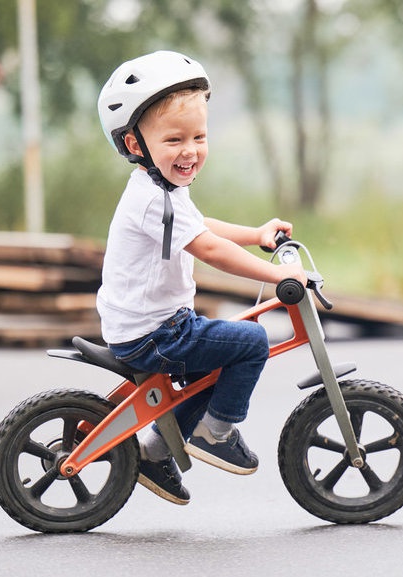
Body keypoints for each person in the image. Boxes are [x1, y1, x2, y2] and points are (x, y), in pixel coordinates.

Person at [96, 50, 306, 506]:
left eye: (199, 136)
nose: (189, 150)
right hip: (153, 333)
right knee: (250, 343)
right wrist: (279, 275)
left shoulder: (161, 190)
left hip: (148, 325)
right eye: (173, 139)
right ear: (136, 146)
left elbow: (202, 226)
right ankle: (215, 431)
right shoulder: (157, 200)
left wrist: (256, 235)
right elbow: (208, 249)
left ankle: (154, 452)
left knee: (215, 361)